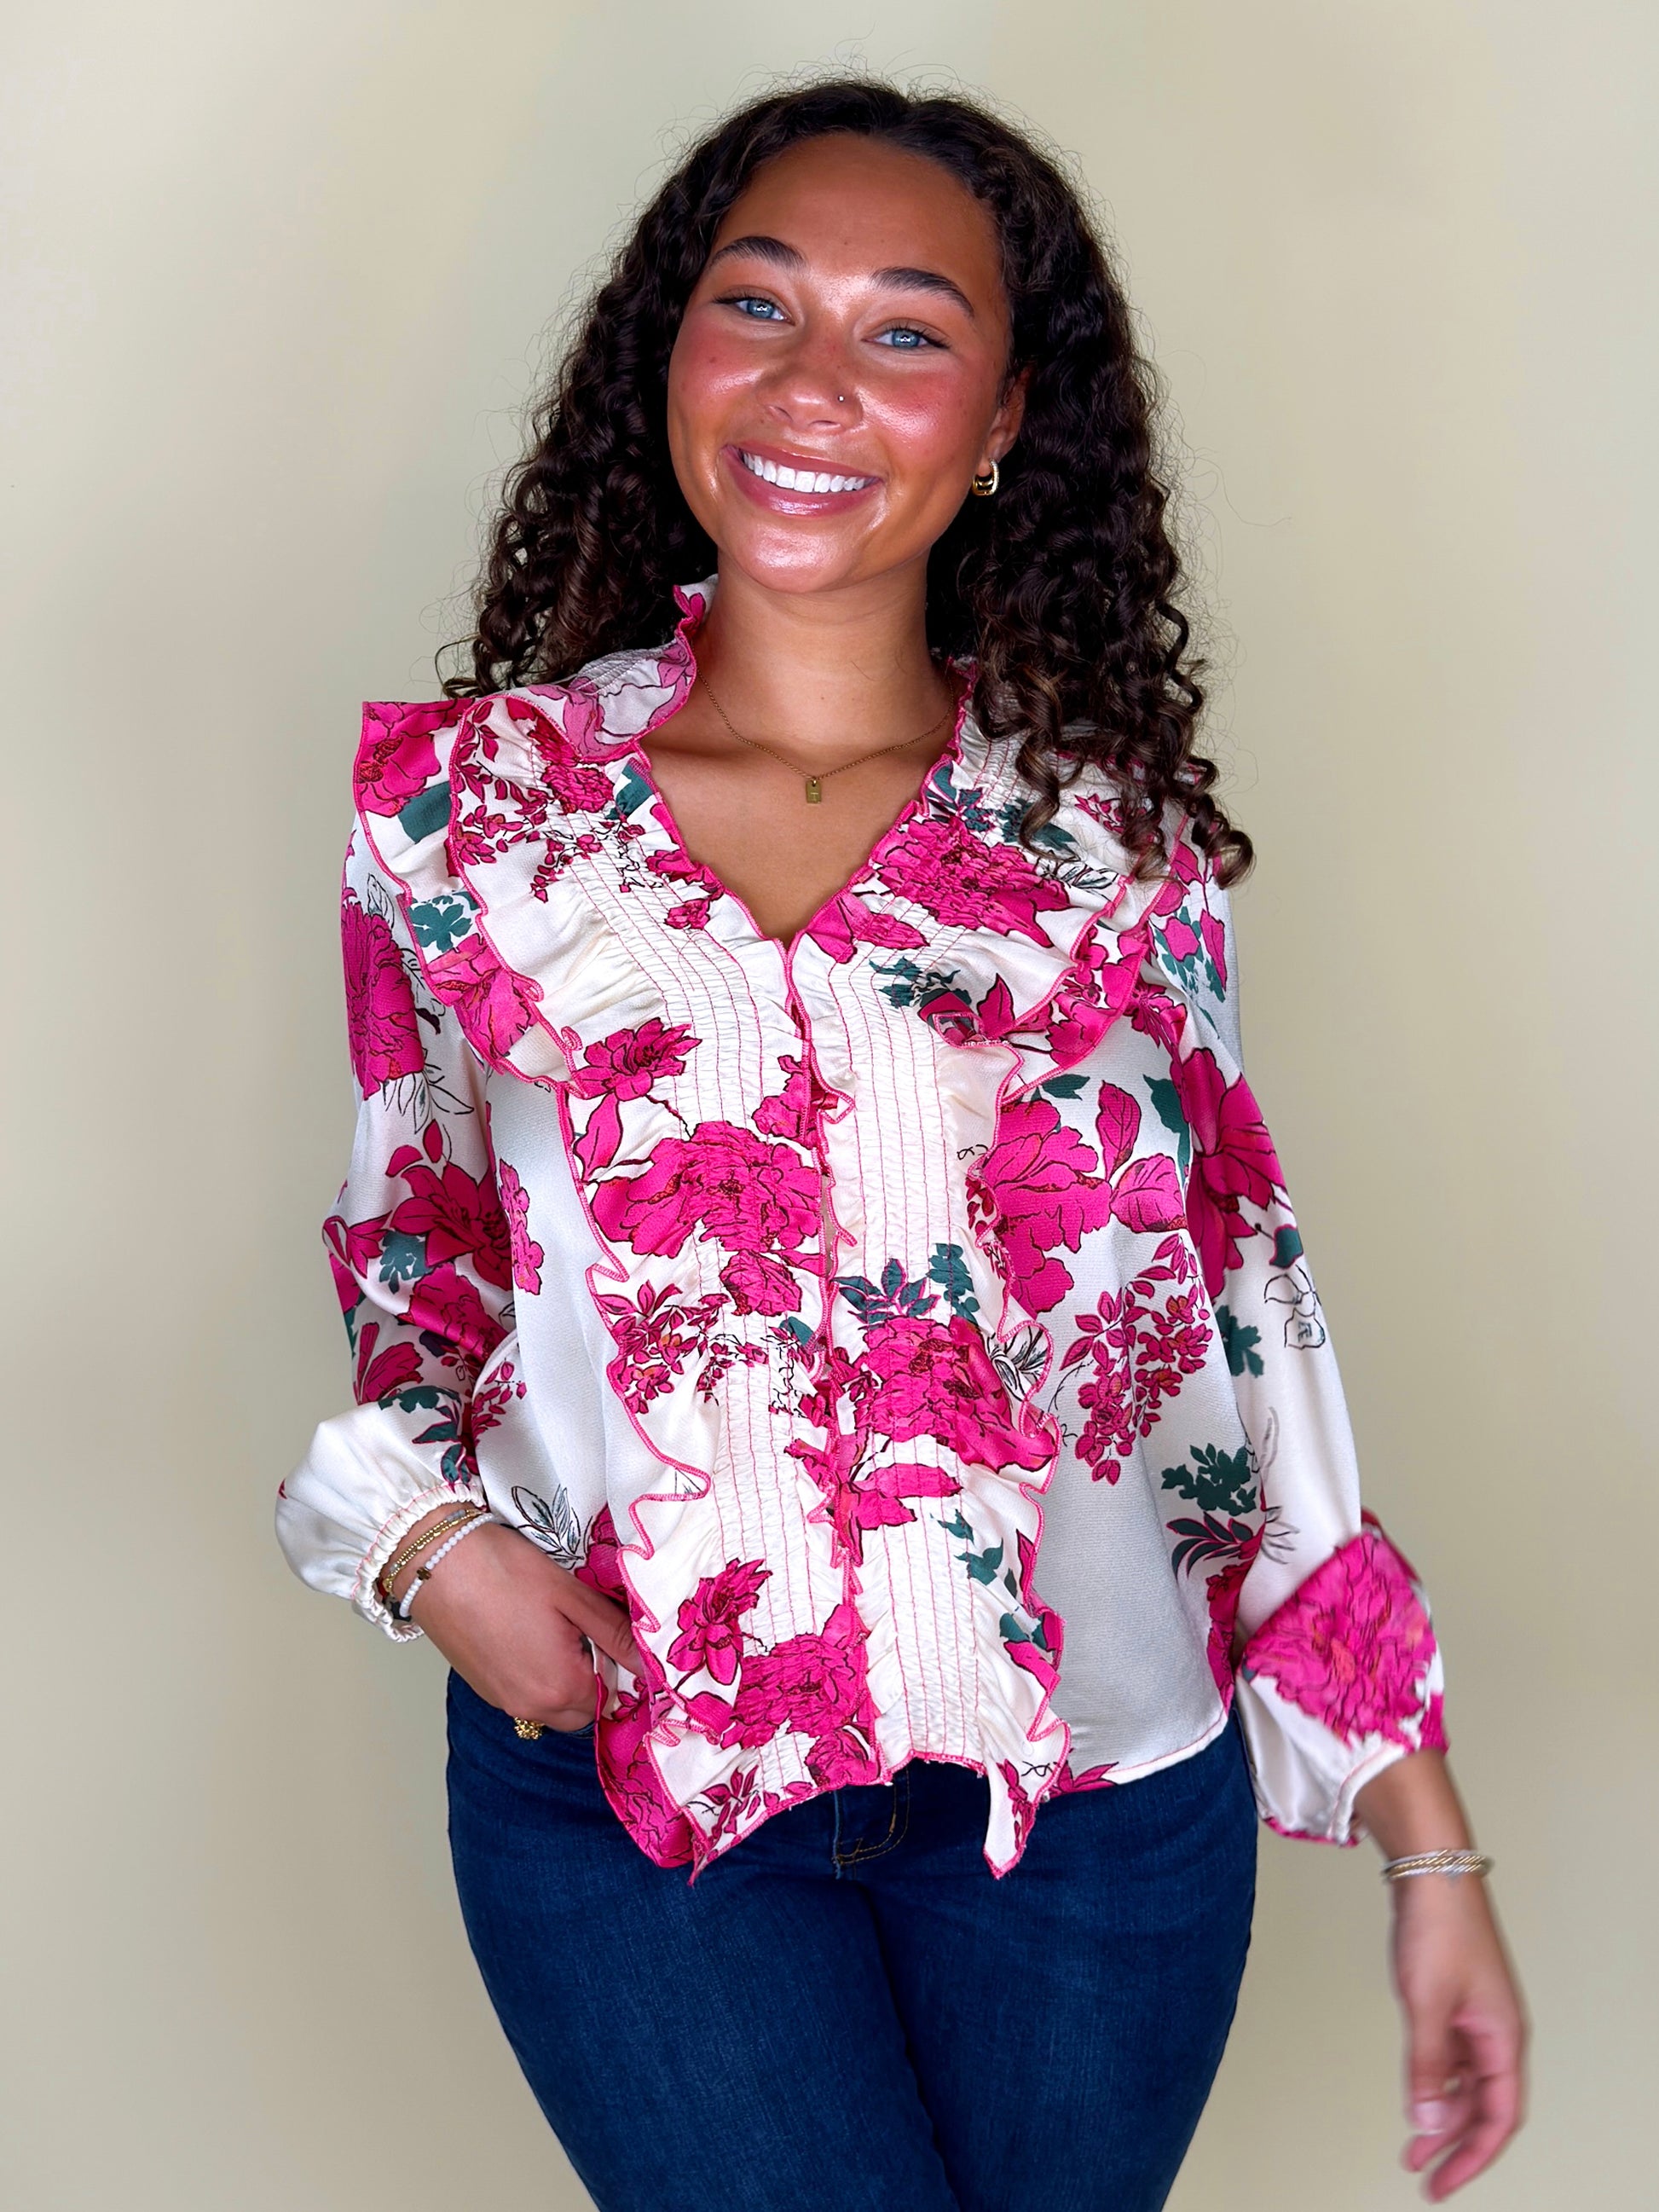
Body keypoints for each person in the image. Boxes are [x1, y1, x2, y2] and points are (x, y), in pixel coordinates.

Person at [275, 78, 1526, 2212]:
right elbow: (424, 1264)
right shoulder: (472, 818)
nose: (812, 385)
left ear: (1007, 415)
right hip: (638, 1789)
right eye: (758, 305)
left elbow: (1245, 1340)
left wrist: (1430, 1849)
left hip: (1093, 1822)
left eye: (905, 331)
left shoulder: (1110, 847)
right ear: (670, 350)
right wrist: (414, 1539)